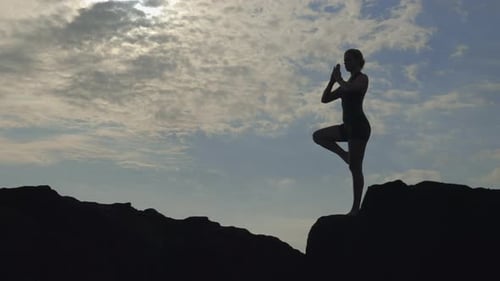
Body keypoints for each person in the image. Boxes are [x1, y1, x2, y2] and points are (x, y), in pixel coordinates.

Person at [312, 49, 371, 216]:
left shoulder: (362, 79)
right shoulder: (345, 84)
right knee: (318, 136)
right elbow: (325, 99)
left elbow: (351, 89)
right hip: (347, 127)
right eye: (345, 60)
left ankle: (355, 208)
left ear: (358, 61)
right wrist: (332, 81)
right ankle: (344, 155)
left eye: (349, 60)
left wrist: (339, 80)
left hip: (359, 127)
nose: (346, 63)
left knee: (355, 167)